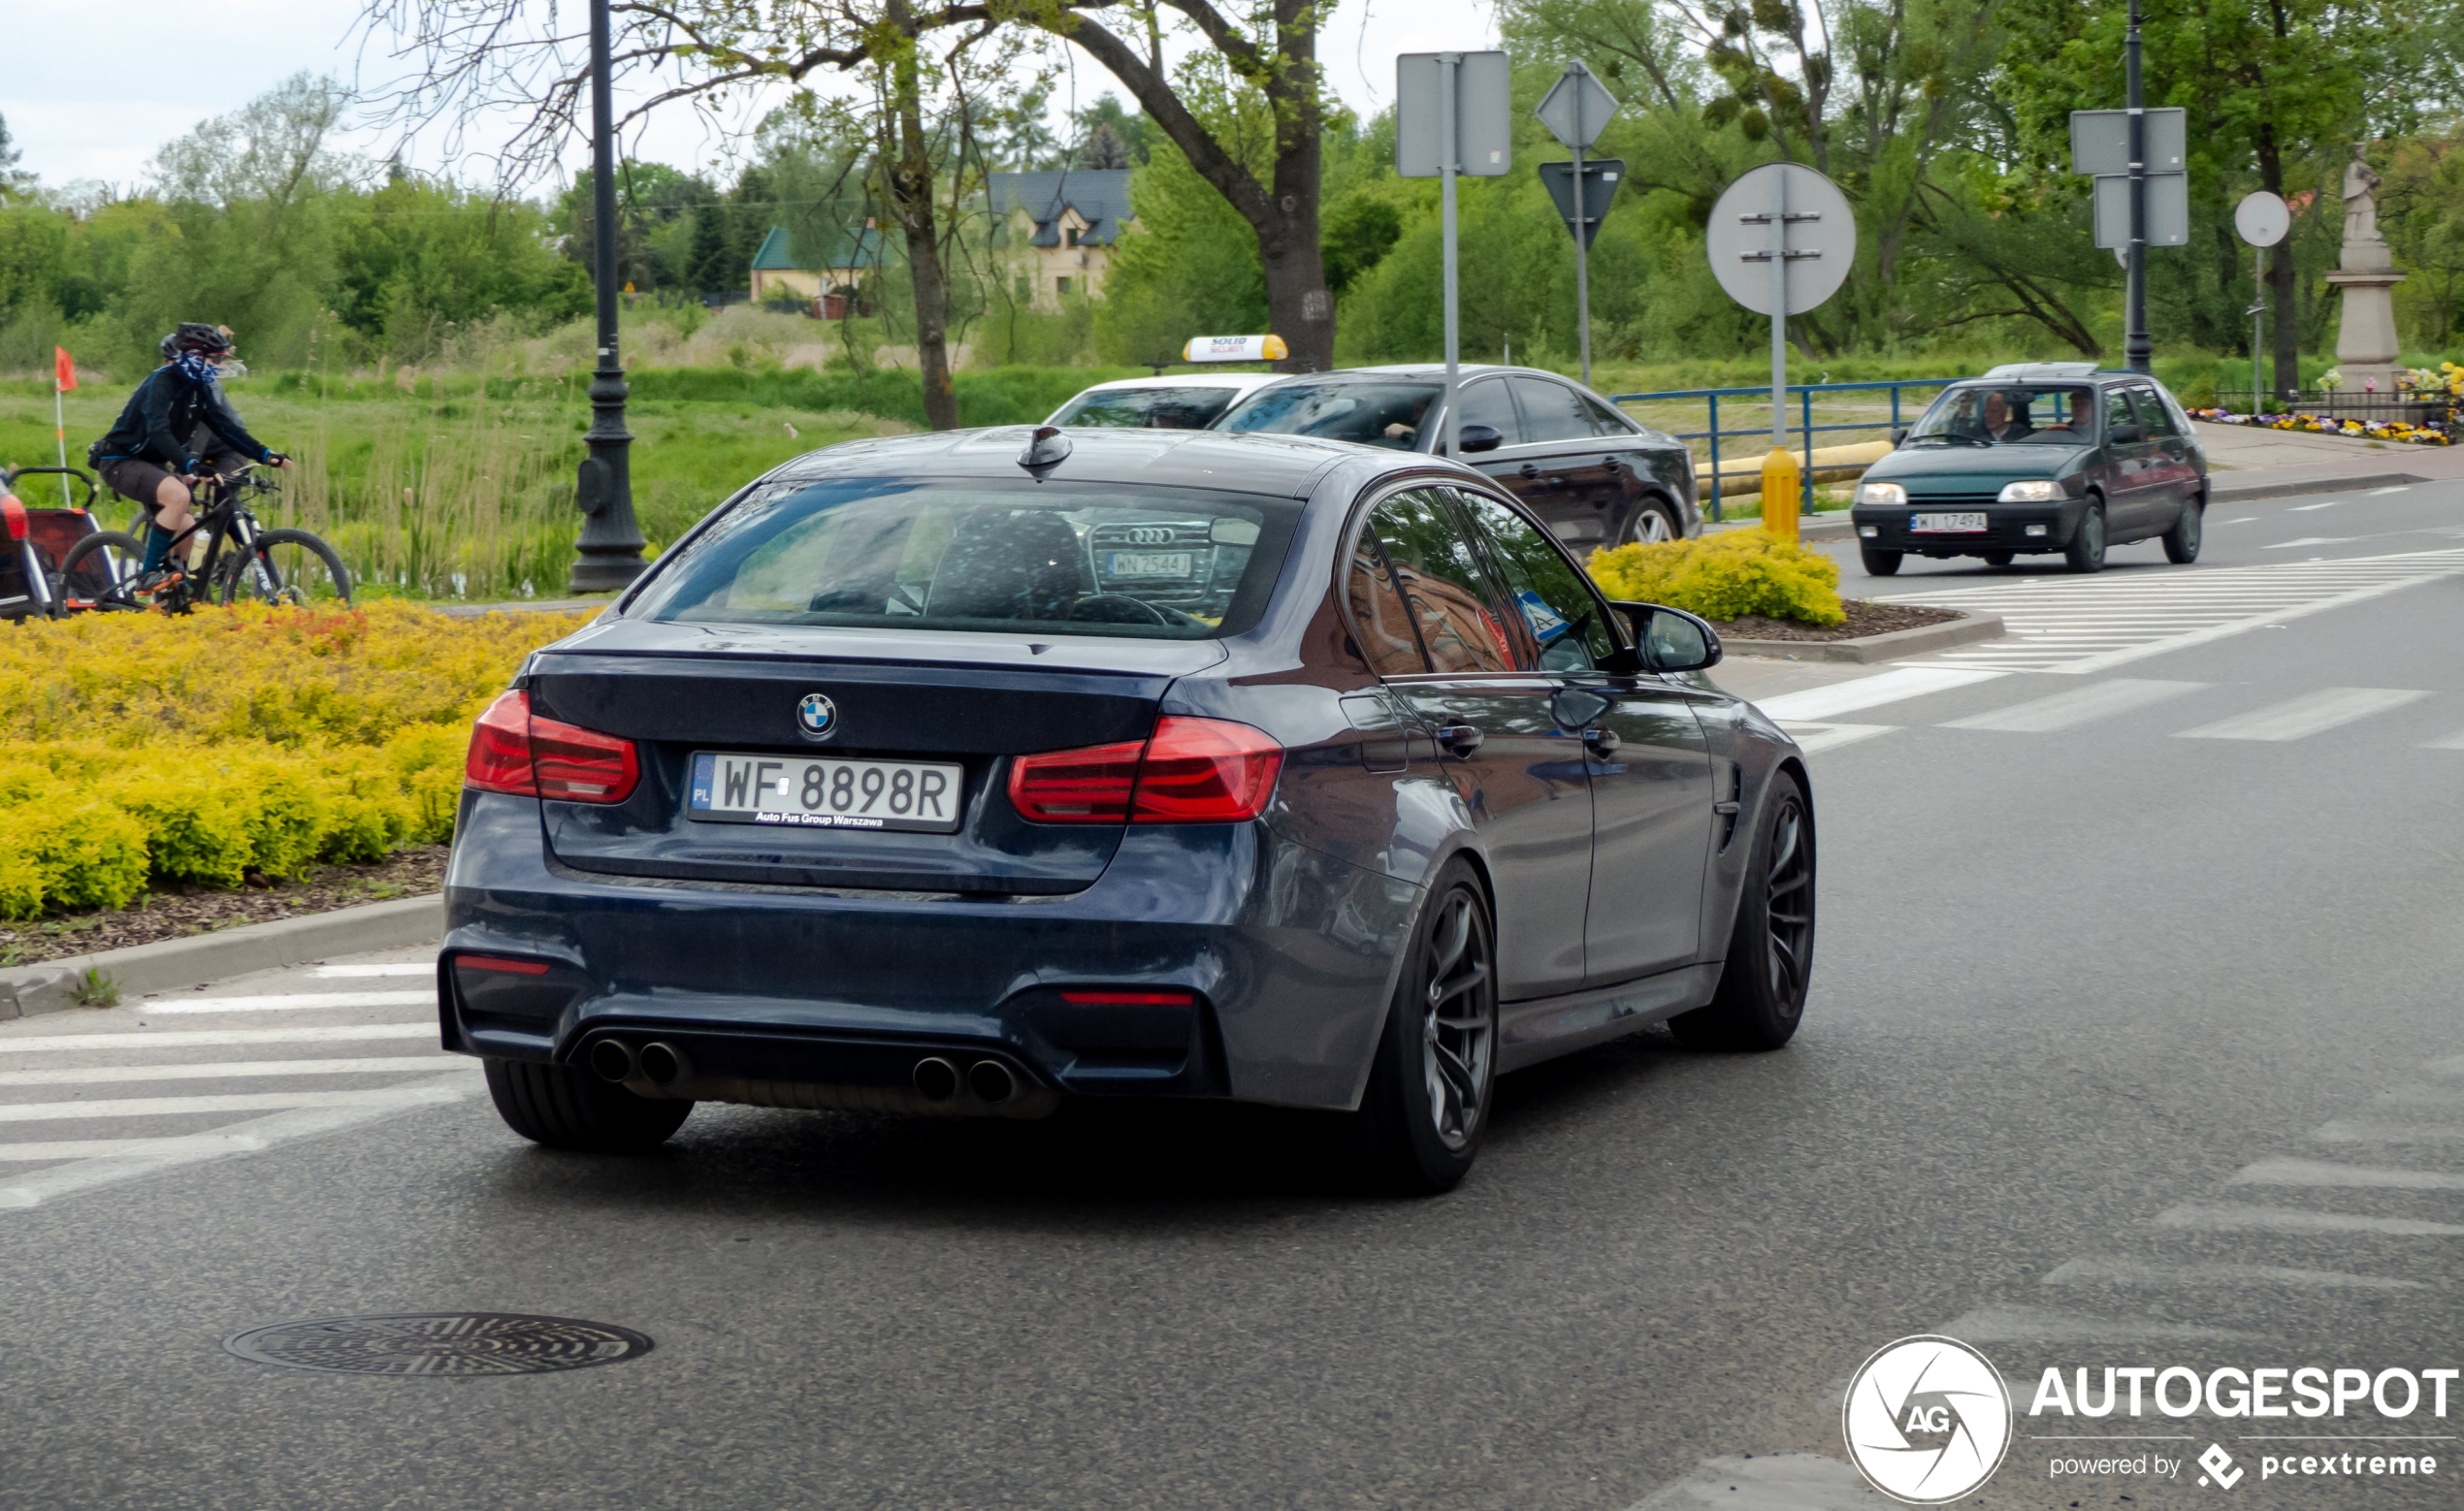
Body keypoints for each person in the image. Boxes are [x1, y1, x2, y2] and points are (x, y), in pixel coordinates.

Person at [90, 323, 291, 578]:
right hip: (121, 460)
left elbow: (226, 428)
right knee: (179, 496)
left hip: (152, 465)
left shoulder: (198, 389)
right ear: (195, 357)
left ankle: (174, 601)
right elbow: (158, 431)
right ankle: (148, 575)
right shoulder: (161, 382)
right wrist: (190, 465)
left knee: (188, 531)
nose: (220, 366)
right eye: (216, 359)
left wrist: (265, 454)